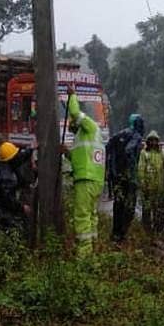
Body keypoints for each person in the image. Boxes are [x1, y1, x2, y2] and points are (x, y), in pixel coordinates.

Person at [62, 87, 105, 258]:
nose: (71, 129)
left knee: (82, 215)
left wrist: (72, 96)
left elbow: (74, 112)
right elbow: (79, 158)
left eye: (72, 126)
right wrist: (67, 153)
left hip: (86, 179)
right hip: (95, 180)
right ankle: (92, 249)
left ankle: (84, 254)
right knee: (91, 215)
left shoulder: (89, 126)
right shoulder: (89, 135)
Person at [106, 113, 145, 242]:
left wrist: (110, 170)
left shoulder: (118, 134)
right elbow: (129, 150)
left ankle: (115, 234)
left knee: (118, 204)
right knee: (129, 206)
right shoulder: (136, 136)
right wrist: (132, 170)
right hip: (128, 177)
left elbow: (107, 148)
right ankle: (122, 234)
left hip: (116, 176)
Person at [138, 131, 164, 233]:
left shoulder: (162, 153)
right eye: (151, 140)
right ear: (148, 141)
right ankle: (147, 230)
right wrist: (142, 183)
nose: (153, 142)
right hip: (147, 188)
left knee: (159, 210)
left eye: (155, 140)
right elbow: (141, 169)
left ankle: (159, 230)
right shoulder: (144, 153)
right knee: (147, 210)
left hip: (159, 187)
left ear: (157, 141)